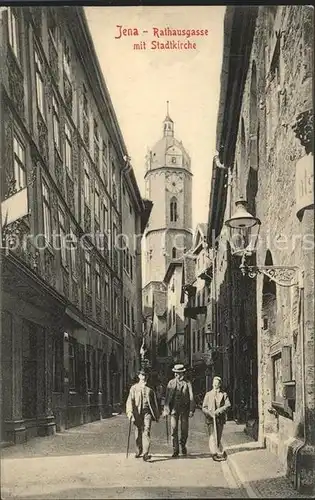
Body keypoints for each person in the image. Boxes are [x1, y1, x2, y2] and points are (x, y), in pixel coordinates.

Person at [126, 368, 160, 462]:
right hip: (137, 412)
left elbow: (155, 403)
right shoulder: (134, 388)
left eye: (145, 375)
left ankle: (146, 453)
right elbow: (130, 401)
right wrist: (130, 412)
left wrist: (157, 414)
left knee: (147, 430)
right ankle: (138, 450)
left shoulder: (150, 389)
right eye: (142, 375)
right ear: (139, 376)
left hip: (147, 412)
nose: (144, 377)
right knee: (138, 431)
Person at [163, 364, 195, 458]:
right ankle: (175, 449)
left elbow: (191, 397)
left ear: (183, 374)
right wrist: (165, 409)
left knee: (184, 429)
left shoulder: (187, 383)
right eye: (176, 373)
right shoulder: (171, 383)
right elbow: (167, 398)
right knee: (174, 429)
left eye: (179, 373)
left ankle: (183, 444)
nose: (177, 375)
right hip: (173, 409)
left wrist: (191, 410)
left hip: (184, 409)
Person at [202, 376, 231, 461]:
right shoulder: (208, 394)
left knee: (218, 435)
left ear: (220, 384)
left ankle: (216, 450)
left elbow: (228, 405)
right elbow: (204, 407)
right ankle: (213, 453)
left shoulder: (224, 394)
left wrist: (219, 411)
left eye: (217, 383)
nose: (215, 385)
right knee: (212, 436)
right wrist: (209, 413)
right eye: (214, 383)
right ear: (212, 384)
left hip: (220, 419)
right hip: (210, 419)